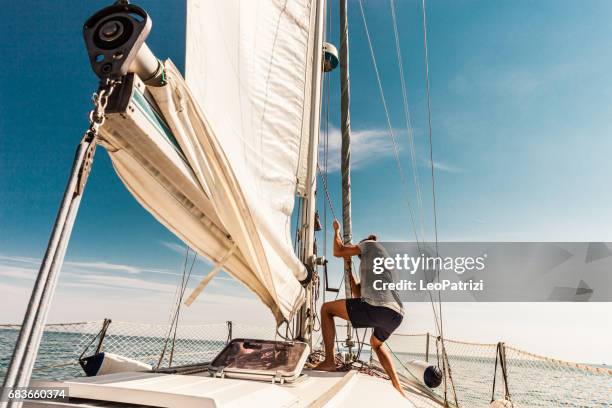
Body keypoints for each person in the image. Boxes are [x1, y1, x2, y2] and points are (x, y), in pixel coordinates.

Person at [314, 219, 406, 398]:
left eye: (358, 253)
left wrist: (336, 231)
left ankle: (329, 361)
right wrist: (348, 266)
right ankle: (396, 384)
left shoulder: (369, 244)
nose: (359, 256)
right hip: (396, 314)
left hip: (377, 308)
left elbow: (337, 250)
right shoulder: (381, 263)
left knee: (326, 309)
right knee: (376, 344)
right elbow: (357, 295)